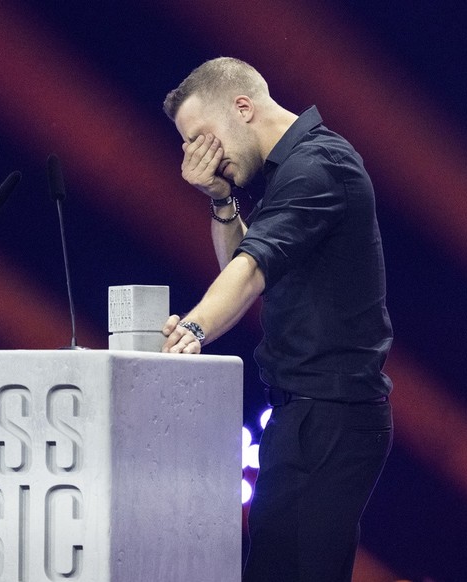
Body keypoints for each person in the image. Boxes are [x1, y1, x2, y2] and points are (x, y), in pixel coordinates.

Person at [160, 57, 393, 581]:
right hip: (305, 416)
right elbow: (245, 268)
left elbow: (250, 269)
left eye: (200, 136)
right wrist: (222, 199)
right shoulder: (288, 171)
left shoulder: (319, 166)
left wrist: (193, 330)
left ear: (242, 107)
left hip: (331, 416)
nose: (196, 155)